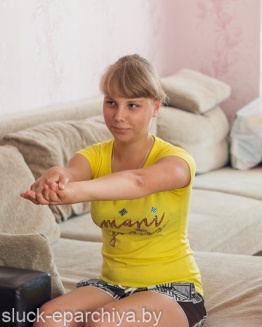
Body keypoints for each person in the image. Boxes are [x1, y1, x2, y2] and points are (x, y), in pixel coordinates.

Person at [20, 54, 207, 327]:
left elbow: (138, 182)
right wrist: (55, 177)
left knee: (104, 323)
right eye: (111, 103)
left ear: (155, 107)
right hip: (112, 285)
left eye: (132, 105)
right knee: (50, 318)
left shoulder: (177, 162)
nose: (118, 116)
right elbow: (71, 173)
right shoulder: (94, 156)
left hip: (173, 290)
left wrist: (75, 193)